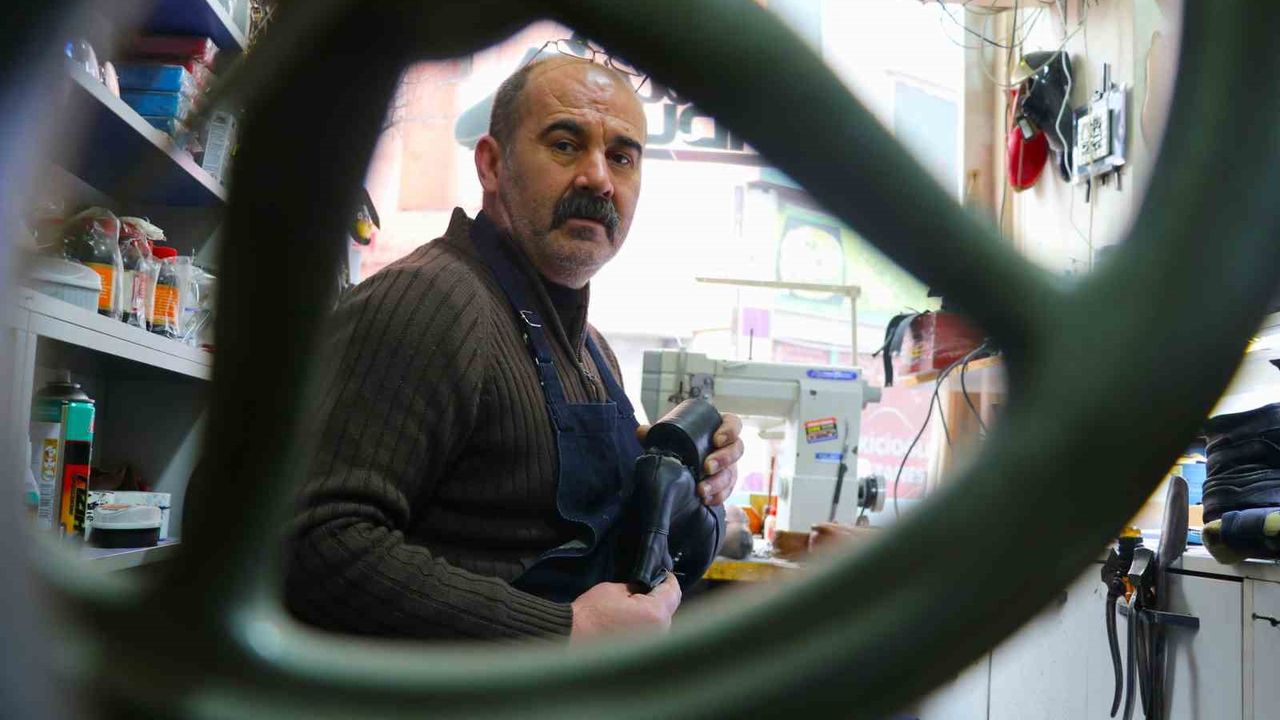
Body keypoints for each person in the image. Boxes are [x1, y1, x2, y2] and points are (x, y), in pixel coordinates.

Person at [285, 52, 745, 642]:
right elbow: (311, 545)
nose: (599, 179)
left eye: (621, 157)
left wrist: (694, 488)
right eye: (565, 145)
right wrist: (564, 631)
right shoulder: (428, 303)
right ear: (492, 164)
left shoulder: (593, 351)